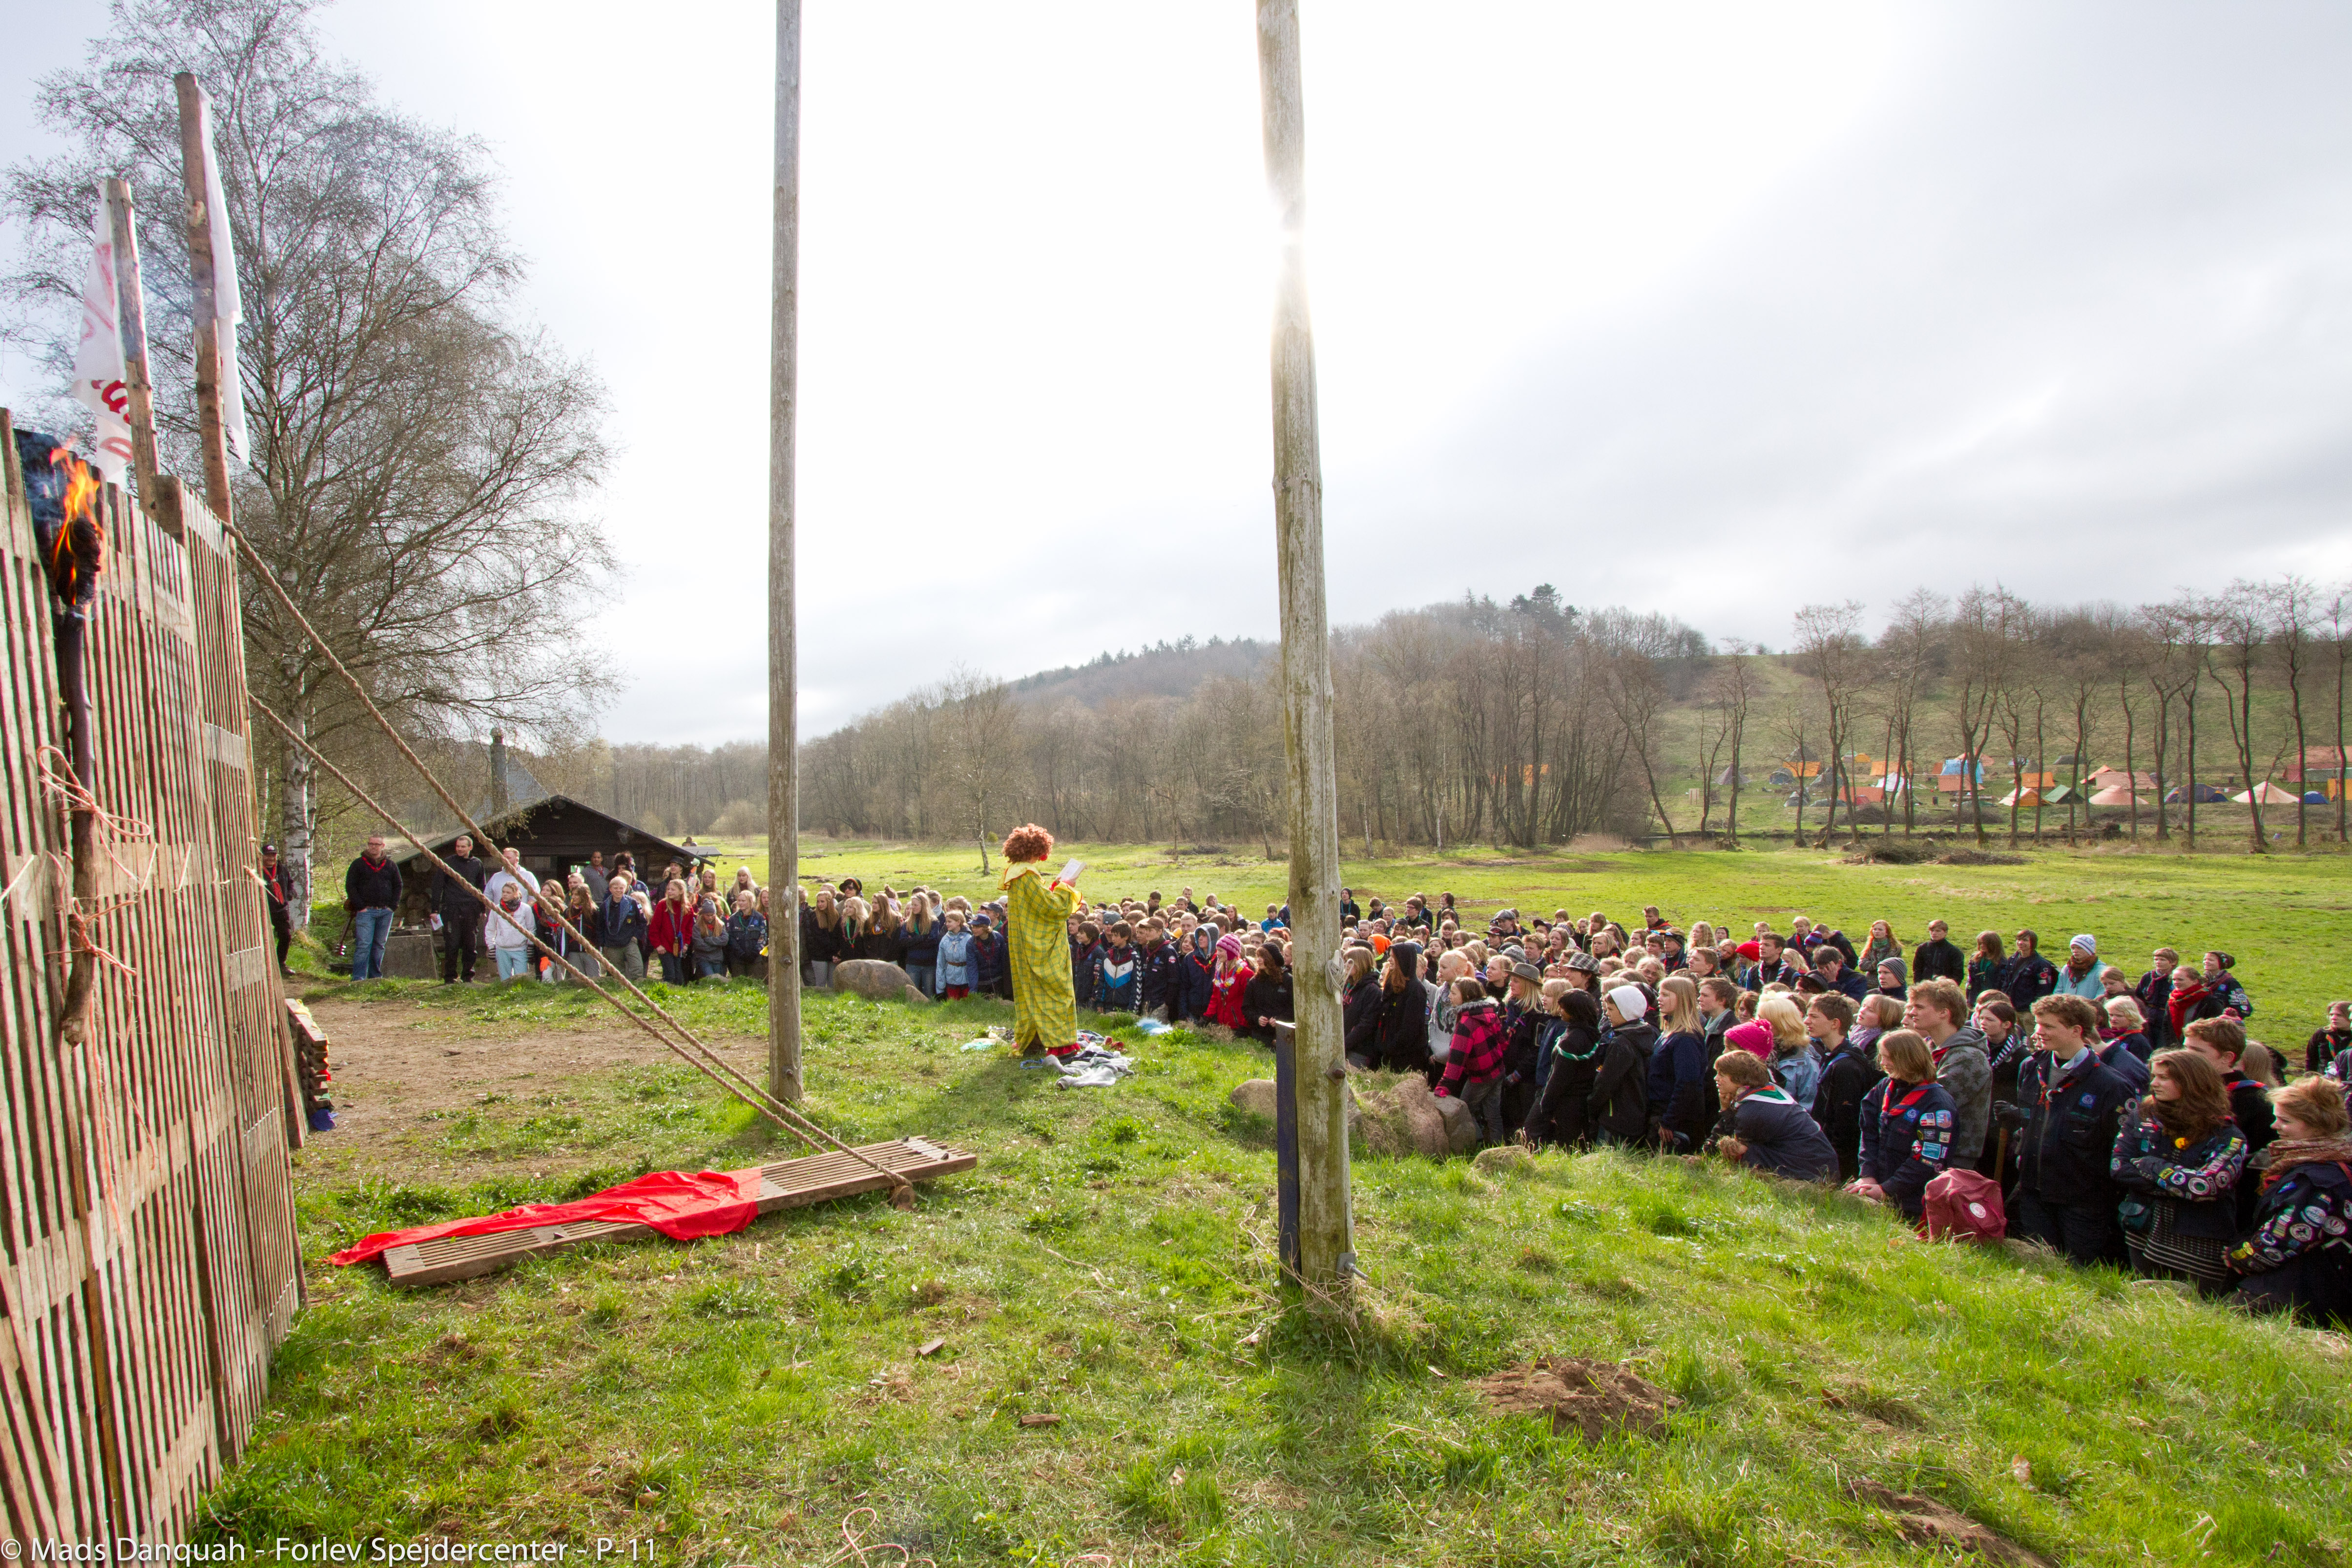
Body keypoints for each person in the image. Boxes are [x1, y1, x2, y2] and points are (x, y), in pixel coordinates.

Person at [2008, 995, 2134, 1265]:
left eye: (2049, 1026)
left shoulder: (2111, 1085)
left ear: (2077, 1030)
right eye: (2038, 1024)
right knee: (2038, 1268)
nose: (2038, 1032)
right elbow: (2028, 1122)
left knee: (2079, 1271)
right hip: (2034, 1192)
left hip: (2082, 1202)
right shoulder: (2031, 1068)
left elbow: (2120, 1148)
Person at [2110, 1050, 2248, 1293]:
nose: (2154, 1084)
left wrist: (2154, 1166)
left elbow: (2206, 1187)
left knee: (2194, 1306)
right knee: (2143, 1303)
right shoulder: (2142, 1116)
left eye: (2164, 1078)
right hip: (2143, 1229)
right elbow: (2119, 1168)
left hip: (2199, 1242)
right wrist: (2180, 1186)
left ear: (2191, 1082)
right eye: (2154, 1076)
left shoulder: (2226, 1134)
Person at [2225, 1076, 2352, 1327]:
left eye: (2286, 1121)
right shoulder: (2329, 1164)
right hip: (2310, 1292)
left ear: (2316, 1125)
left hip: (2294, 1297)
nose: (2275, 1126)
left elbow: (2281, 1241)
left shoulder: (2317, 1180)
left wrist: (2236, 1255)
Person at [1849, 1028, 1957, 1222]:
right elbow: (1869, 1134)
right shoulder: (1885, 1088)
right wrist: (1868, 1174)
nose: (1883, 1063)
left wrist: (1888, 1190)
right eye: (1881, 1057)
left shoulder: (1937, 1104)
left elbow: (1927, 1160)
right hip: (1877, 1187)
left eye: (1888, 1058)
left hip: (1914, 1204)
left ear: (1909, 1059)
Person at [2180, 1016, 2275, 1229]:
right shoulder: (2181, 1087)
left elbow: (2255, 1169)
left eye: (2196, 1051)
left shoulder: (2255, 1102)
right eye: (2185, 1048)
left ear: (2227, 1058)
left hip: (2224, 1210)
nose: (2186, 1056)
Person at [1905, 979, 1992, 1173]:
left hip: (1953, 1155)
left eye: (1919, 1007)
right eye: (1911, 1007)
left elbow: (1930, 1102)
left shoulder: (1969, 1057)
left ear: (1944, 1013)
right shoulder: (1930, 1046)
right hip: (1923, 1145)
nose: (1911, 1013)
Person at [1712, 1049, 1838, 1181]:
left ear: (1739, 1079)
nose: (1716, 1078)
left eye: (1722, 1074)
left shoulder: (1753, 1111)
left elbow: (1736, 1146)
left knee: (1748, 1153)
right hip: (1822, 1164)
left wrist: (1726, 1110)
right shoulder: (1766, 1091)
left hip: (1812, 1172)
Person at [1811, 994, 1883, 1183]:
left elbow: (1846, 1126)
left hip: (1839, 1163)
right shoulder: (1832, 1055)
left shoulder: (1847, 1066)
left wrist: (1833, 1171)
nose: (1807, 1021)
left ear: (1835, 1023)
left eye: (1814, 1017)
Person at [1524, 988, 1603, 1149]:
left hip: (1567, 1103)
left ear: (1574, 1011)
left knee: (1534, 1132)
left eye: (1563, 1008)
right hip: (1582, 1102)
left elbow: (1559, 1079)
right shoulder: (1591, 1034)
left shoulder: (1571, 1041)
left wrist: (1546, 1106)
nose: (1560, 1011)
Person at [1436, 976, 1508, 1143]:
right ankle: (1498, 1147)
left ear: (1467, 997)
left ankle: (1476, 1142)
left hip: (1481, 1076)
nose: (1449, 997)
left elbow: (1456, 1059)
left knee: (1465, 1109)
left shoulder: (1467, 1023)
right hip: (1498, 1069)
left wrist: (1444, 1086)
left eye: (1454, 993)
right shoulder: (1488, 1012)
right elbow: (1503, 1041)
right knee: (1493, 1113)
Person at [1647, 975, 1712, 1154]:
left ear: (1682, 999)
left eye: (1666, 995)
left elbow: (1688, 1084)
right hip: (1662, 1112)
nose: (1659, 999)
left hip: (1677, 1120)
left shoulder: (1686, 1039)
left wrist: (1669, 1121)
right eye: (1659, 994)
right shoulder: (1669, 1032)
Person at [1588, 985, 1656, 1148]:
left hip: (1615, 1117)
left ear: (1626, 1010)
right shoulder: (1644, 1033)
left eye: (1611, 1009)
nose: (1607, 1014)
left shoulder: (1621, 1043)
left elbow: (1606, 1082)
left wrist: (1592, 1105)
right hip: (1635, 1114)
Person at [343, 833, 403, 982]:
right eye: (371, 844)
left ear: (383, 846)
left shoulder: (390, 865)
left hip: (385, 911)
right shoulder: (358, 865)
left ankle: (375, 977)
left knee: (380, 945)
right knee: (364, 945)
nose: (374, 847)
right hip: (366, 911)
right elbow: (351, 886)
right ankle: (359, 978)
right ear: (368, 845)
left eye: (377, 844)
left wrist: (393, 906)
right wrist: (360, 906)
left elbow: (398, 885)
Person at [429, 834, 487, 985]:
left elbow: (481, 887)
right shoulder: (448, 863)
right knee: (452, 944)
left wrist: (483, 909)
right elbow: (437, 887)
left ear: (470, 847)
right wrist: (435, 910)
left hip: (471, 909)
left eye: (463, 847)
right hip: (452, 909)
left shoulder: (477, 864)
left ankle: (468, 977)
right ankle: (450, 978)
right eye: (458, 847)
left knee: (470, 945)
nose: (460, 849)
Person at [2096, 997, 2154, 1094]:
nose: (2113, 1019)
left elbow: (2142, 1071)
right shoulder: (2107, 1035)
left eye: (2119, 1016)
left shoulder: (2138, 1040)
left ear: (2131, 1017)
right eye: (2111, 1015)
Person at [483, 878, 536, 982]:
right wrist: (492, 947)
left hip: (520, 948)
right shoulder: (497, 909)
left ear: (516, 894)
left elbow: (531, 929)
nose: (505, 895)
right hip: (502, 949)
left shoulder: (526, 909)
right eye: (503, 892)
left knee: (522, 979)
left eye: (508, 892)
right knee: (505, 981)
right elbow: (490, 929)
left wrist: (530, 946)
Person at [598, 872, 647, 983]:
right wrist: (603, 943)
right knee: (617, 971)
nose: (619, 891)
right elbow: (600, 927)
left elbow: (642, 922)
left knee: (637, 967)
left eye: (622, 888)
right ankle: (621, 988)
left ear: (625, 889)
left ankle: (636, 987)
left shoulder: (633, 903)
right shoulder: (604, 906)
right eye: (616, 888)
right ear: (610, 889)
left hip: (630, 941)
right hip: (612, 943)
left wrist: (636, 937)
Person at [1242, 944, 1293, 1043]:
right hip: (1260, 1036)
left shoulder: (1288, 980)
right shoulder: (1254, 982)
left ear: (1271, 959)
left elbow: (1293, 1008)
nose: (1258, 960)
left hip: (1283, 1035)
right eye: (1258, 957)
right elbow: (1247, 1008)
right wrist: (1257, 1018)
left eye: (1262, 957)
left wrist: (1280, 1019)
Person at [648, 878, 695, 985]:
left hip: (679, 946)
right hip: (664, 946)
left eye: (673, 890)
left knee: (679, 979)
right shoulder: (663, 905)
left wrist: (686, 944)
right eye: (668, 889)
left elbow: (689, 929)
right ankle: (664, 992)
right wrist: (658, 945)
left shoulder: (688, 907)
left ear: (681, 891)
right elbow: (654, 928)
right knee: (670, 976)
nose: (670, 892)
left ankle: (676, 994)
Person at [1340, 945, 1381, 1067]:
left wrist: (1345, 1043)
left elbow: (1366, 1025)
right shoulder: (1348, 986)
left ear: (1360, 963)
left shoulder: (1372, 990)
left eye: (1350, 962)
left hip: (1360, 1049)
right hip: (1343, 1044)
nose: (1346, 965)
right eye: (1345, 961)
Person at [2135, 946, 2182, 1052]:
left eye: (2163, 960)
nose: (2158, 962)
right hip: (2149, 1015)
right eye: (2156, 959)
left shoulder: (2176, 978)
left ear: (2173, 962)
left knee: (2163, 1046)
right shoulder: (2148, 977)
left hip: (2167, 1016)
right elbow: (2138, 996)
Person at [259, 844, 295, 976]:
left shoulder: (281, 869)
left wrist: (290, 893)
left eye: (273, 855)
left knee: (286, 936)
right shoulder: (258, 870)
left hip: (281, 909)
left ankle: (281, 964)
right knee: (263, 938)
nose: (271, 858)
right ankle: (263, 965)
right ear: (261, 856)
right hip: (264, 910)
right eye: (267, 855)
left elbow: (290, 883)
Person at [2001, 929, 2058, 1012]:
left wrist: (2035, 1008)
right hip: (2010, 1007)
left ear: (2033, 943)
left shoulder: (2041, 964)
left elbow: (2044, 990)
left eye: (2025, 940)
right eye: (2018, 940)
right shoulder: (2012, 959)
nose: (2020, 943)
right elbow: (2006, 981)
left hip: (2028, 1010)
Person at [1205, 934, 1252, 1034]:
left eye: (1221, 951)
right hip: (1223, 1025)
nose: (1218, 954)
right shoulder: (1220, 971)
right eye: (1217, 950)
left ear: (1230, 952)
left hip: (1238, 1026)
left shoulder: (1245, 973)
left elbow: (1250, 1002)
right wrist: (1207, 1016)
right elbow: (1215, 997)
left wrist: (1244, 1024)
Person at [898, 899, 941, 997]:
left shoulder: (933, 922)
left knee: (928, 993)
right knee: (912, 993)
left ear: (923, 905)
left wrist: (913, 940)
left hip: (929, 963)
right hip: (913, 963)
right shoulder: (908, 923)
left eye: (916, 905)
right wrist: (922, 938)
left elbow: (933, 942)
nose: (913, 907)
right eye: (912, 905)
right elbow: (903, 942)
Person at [724, 892, 768, 978]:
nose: (740, 903)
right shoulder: (732, 919)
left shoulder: (760, 918)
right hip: (738, 960)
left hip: (755, 959)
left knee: (755, 984)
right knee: (739, 984)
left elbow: (763, 937)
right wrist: (741, 954)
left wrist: (755, 953)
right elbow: (730, 938)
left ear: (750, 901)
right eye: (739, 901)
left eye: (743, 901)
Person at [2306, 1001, 2352, 1080]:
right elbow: (2311, 1061)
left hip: (2347, 1082)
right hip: (2323, 1081)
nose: (2333, 1018)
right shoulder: (2322, 1034)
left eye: (2339, 1015)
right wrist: (2309, 1080)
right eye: (2331, 1015)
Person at [1913, 919, 1966, 987]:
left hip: (1945, 988)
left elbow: (1958, 974)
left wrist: (1950, 987)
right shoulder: (1923, 948)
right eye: (1932, 931)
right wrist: (1918, 985)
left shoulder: (1954, 951)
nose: (1934, 933)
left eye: (1938, 931)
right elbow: (1917, 969)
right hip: (1925, 987)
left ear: (1946, 932)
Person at [2052, 934, 2105, 999]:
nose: (2075, 951)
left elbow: (2101, 995)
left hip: (2090, 1005)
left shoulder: (2101, 971)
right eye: (2073, 948)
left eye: (2080, 948)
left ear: (2089, 950)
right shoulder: (2067, 968)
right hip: (2067, 1005)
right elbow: (2059, 991)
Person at [689, 897, 729, 982]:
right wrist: (716, 946)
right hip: (704, 958)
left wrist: (709, 940)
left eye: (712, 915)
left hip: (717, 959)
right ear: (703, 914)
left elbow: (725, 940)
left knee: (718, 980)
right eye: (707, 915)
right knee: (711, 978)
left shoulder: (721, 925)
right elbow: (699, 944)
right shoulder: (697, 926)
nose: (710, 917)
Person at [1966, 931, 2007, 1004]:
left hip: (1993, 997)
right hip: (1976, 996)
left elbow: (2003, 983)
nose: (1982, 946)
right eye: (1981, 943)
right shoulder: (1975, 958)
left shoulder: (2002, 962)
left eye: (1985, 944)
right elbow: (1971, 979)